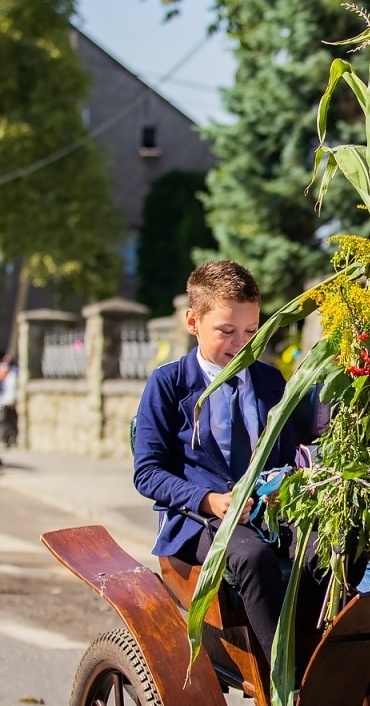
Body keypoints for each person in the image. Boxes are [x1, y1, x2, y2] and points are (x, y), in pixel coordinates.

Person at [132, 260, 318, 659]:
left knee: (328, 545)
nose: (242, 344)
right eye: (226, 331)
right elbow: (148, 472)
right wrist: (210, 500)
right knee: (252, 555)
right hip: (201, 519)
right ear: (192, 322)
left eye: (252, 331)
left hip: (267, 512)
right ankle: (283, 674)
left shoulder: (269, 381)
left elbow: (285, 456)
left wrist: (284, 488)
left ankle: (328, 657)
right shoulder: (168, 384)